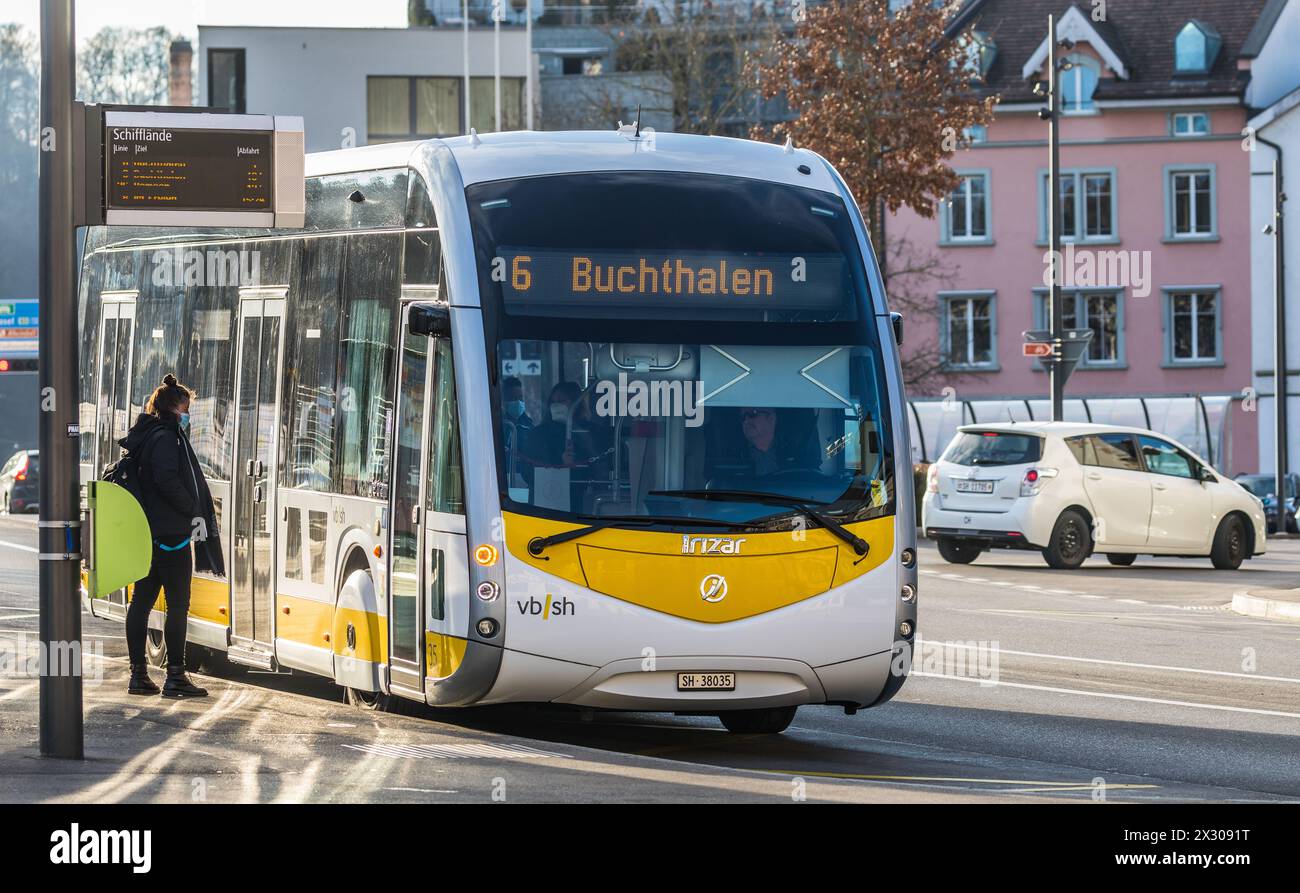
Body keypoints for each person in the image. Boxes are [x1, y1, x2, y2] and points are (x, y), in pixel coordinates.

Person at [121, 374, 225, 699]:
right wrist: (192, 507)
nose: (187, 415)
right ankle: (175, 676)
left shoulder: (151, 435)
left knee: (142, 602)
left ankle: (139, 674)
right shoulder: (166, 439)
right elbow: (166, 480)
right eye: (185, 408)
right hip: (170, 535)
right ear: (173, 408)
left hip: (152, 533)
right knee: (178, 605)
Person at [738, 407, 821, 477]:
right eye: (742, 417)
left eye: (753, 414)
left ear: (772, 417)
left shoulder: (797, 454)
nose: (746, 421)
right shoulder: (736, 456)